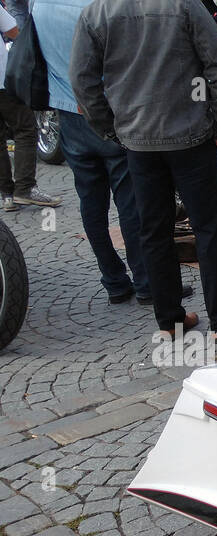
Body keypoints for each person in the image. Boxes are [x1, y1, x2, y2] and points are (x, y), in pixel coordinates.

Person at [73, 0, 217, 338]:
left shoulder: (97, 11)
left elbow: (82, 80)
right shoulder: (183, 5)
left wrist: (113, 129)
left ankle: (170, 322)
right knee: (208, 228)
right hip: (189, 135)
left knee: (153, 229)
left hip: (139, 139)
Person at [33, 0, 191, 306]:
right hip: (108, 111)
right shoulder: (95, 8)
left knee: (92, 205)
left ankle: (115, 281)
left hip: (68, 114)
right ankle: (147, 283)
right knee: (131, 203)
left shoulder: (40, 6)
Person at [0, 3, 62, 211]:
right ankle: (25, 188)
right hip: (2, 81)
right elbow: (12, 30)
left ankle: (7, 194)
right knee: (26, 128)